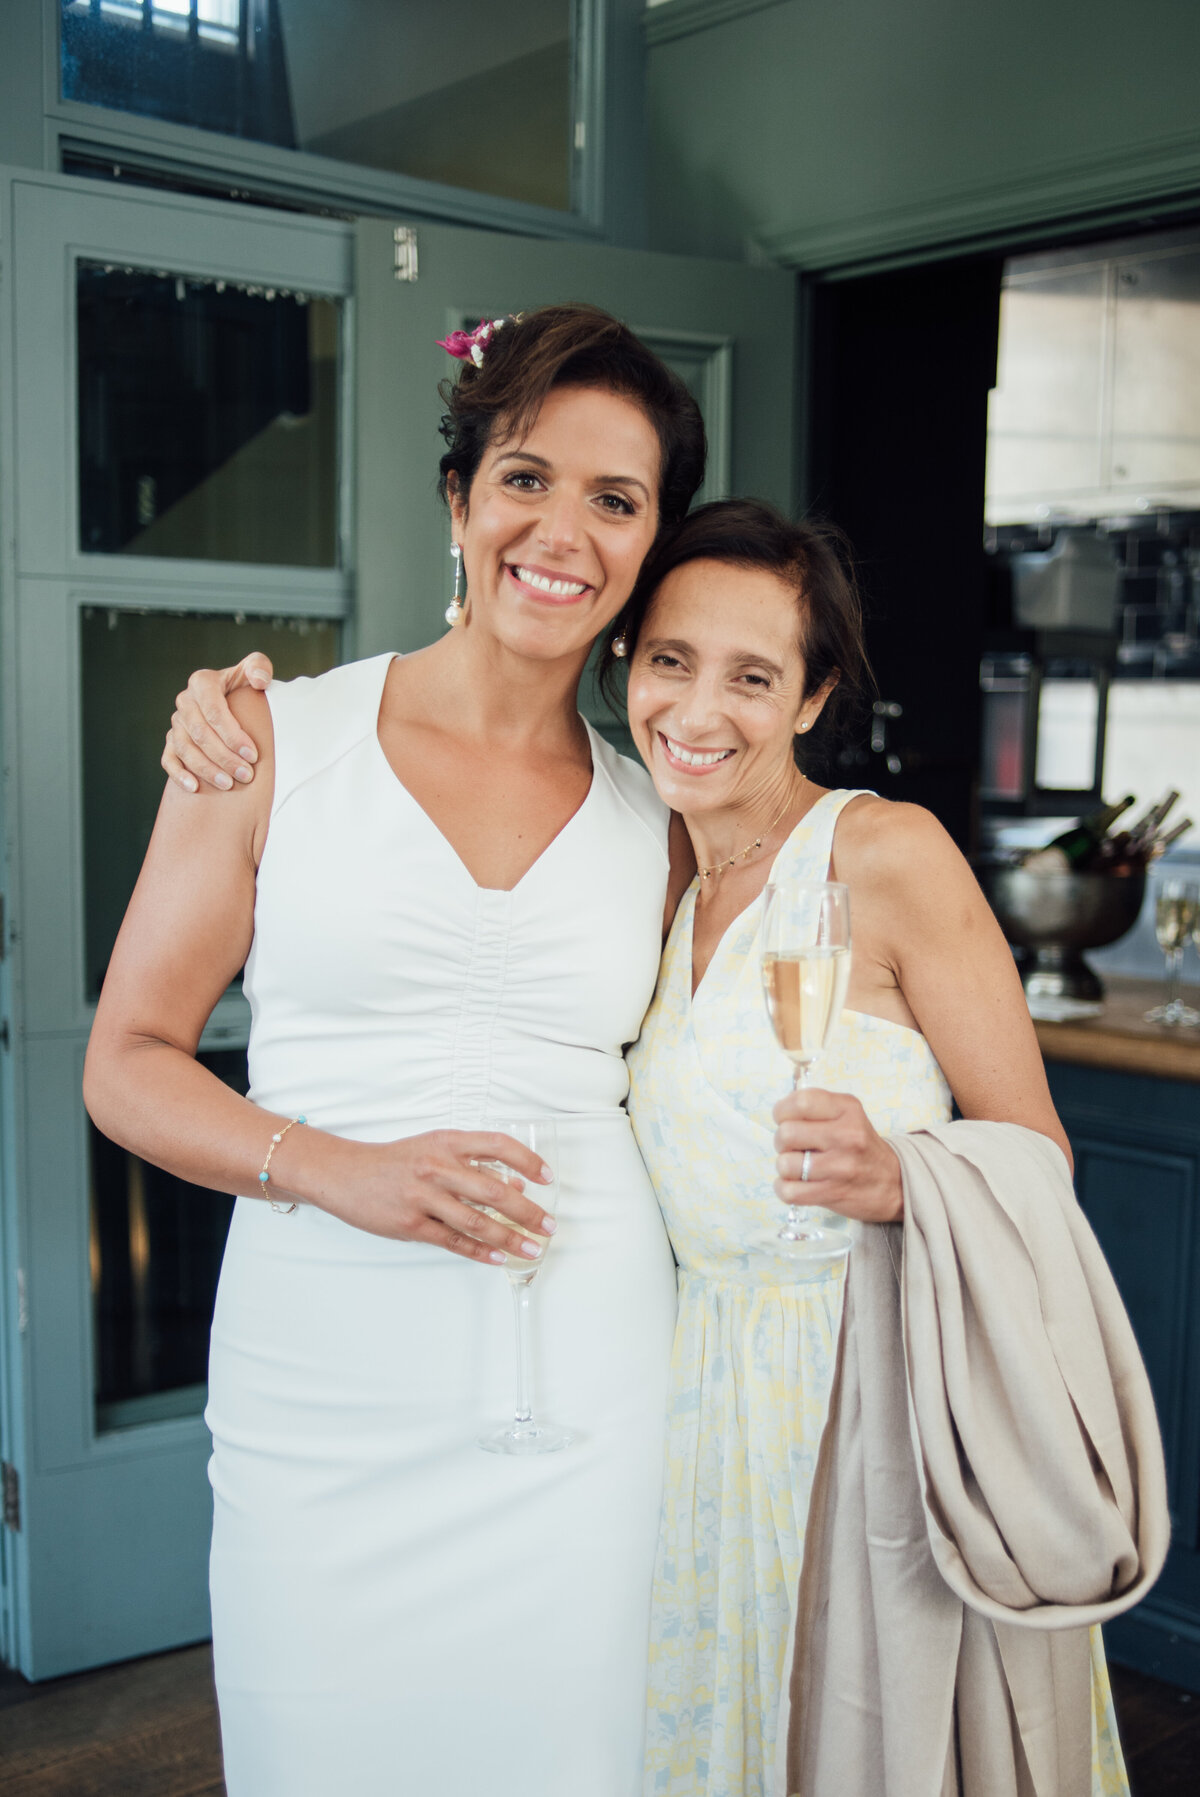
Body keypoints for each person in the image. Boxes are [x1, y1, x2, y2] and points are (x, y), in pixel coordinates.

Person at [163, 499, 1131, 1796]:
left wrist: (903, 1176)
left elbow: (1041, 1156)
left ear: (812, 696)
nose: (700, 708)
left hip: (865, 1413)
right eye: (671, 660)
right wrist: (232, 705)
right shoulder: (653, 860)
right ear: (624, 663)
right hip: (694, 1423)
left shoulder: (887, 856)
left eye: (753, 676)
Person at [84, 304, 707, 1797]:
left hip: (596, 1388)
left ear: (650, 544)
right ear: (460, 499)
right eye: (527, 478)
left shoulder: (663, 820)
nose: (563, 530)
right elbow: (128, 1061)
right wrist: (336, 1170)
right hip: (327, 1383)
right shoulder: (268, 739)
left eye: (615, 500)